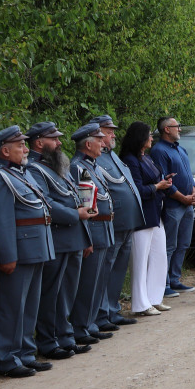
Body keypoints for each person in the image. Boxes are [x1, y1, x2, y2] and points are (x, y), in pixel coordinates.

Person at [0, 126, 55, 377]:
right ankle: (8, 360)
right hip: (16, 253)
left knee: (28, 307)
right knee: (11, 308)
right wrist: (7, 255)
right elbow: (0, 221)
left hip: (33, 250)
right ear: (5, 151)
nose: (26, 149)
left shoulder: (21, 174)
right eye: (20, 146)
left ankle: (25, 353)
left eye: (25, 145)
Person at [26, 122, 94, 359]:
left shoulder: (55, 165)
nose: (59, 143)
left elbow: (76, 196)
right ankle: (48, 342)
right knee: (51, 294)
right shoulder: (34, 169)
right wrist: (74, 215)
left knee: (66, 294)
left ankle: (65, 337)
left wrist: (84, 233)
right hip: (56, 237)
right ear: (39, 142)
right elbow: (46, 203)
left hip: (73, 237)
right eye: (53, 139)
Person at [92, 114, 145, 333]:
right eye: (108, 130)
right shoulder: (96, 160)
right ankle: (101, 312)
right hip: (113, 223)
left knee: (118, 269)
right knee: (106, 268)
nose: (113, 134)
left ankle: (112, 309)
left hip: (127, 221)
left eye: (113, 130)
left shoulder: (112, 156)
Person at [120, 121, 173, 317]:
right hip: (142, 215)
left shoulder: (146, 158)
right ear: (139, 138)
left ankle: (154, 298)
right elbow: (137, 189)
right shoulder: (130, 160)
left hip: (155, 213)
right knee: (140, 260)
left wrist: (164, 181)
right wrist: (157, 187)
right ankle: (140, 303)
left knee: (159, 256)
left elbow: (154, 179)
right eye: (149, 135)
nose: (152, 138)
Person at [69, 123, 116, 345]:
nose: (103, 142)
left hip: (104, 228)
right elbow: (83, 205)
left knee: (99, 281)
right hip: (94, 229)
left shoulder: (93, 166)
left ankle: (91, 323)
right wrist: (85, 237)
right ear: (88, 144)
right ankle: (81, 326)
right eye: (99, 140)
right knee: (88, 282)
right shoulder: (78, 168)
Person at [150, 115, 195, 297]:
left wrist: (193, 191)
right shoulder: (159, 151)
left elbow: (187, 174)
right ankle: (163, 284)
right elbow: (164, 180)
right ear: (166, 129)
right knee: (169, 245)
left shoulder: (180, 149)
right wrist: (182, 198)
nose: (179, 129)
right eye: (176, 126)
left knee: (183, 243)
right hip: (173, 204)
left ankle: (175, 279)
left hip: (187, 204)